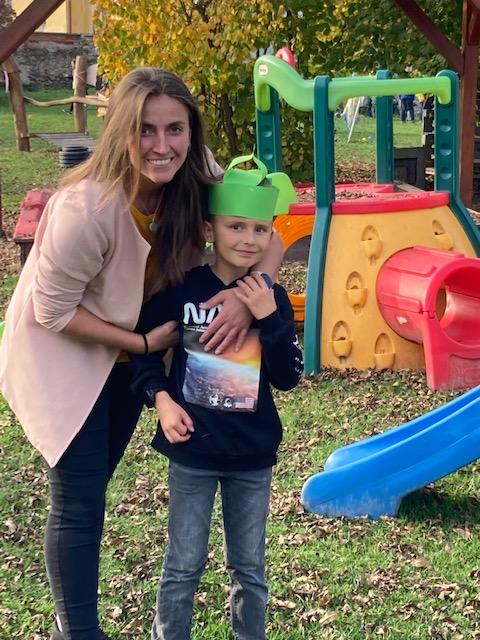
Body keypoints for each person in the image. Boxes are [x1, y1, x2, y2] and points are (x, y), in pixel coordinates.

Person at [0, 69, 284, 640]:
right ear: (121, 132)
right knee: (79, 498)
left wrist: (245, 298)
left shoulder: (198, 173)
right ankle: (79, 631)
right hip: (66, 356)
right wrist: (143, 344)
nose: (161, 145)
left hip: (132, 361)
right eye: (145, 130)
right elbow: (51, 312)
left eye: (174, 128)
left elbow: (269, 235)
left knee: (95, 482)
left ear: (190, 131)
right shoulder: (87, 208)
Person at [130, 154, 304, 640]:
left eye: (260, 229)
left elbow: (288, 376)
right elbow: (147, 351)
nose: (248, 239)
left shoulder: (272, 297)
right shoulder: (182, 289)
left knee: (249, 569)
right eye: (236, 227)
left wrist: (268, 316)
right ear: (210, 229)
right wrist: (161, 400)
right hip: (193, 453)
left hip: (252, 456)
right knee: (183, 565)